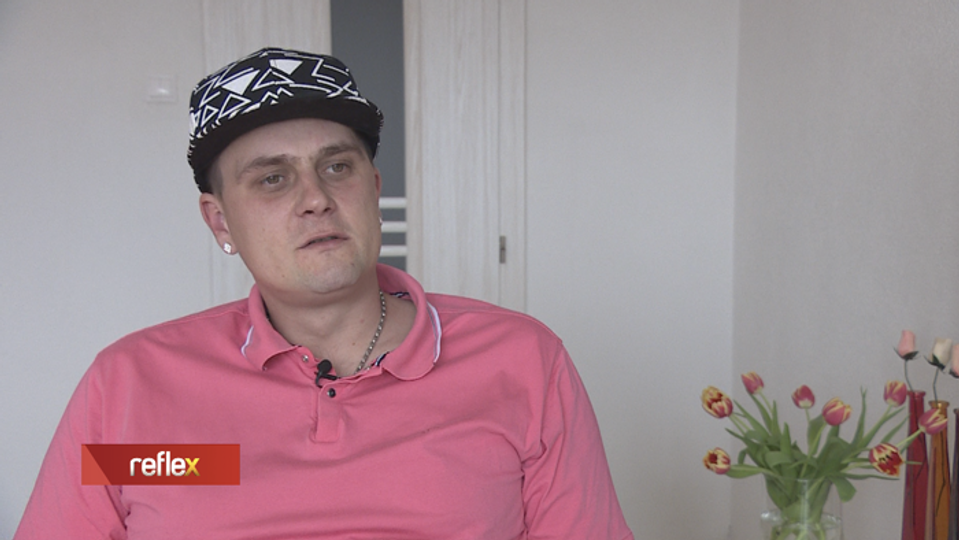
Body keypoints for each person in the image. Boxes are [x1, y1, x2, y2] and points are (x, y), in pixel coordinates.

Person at [15, 47, 633, 539]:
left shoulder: (523, 361)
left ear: (373, 190)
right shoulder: (129, 386)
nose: (315, 198)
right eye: (273, 179)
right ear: (220, 221)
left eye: (337, 167)